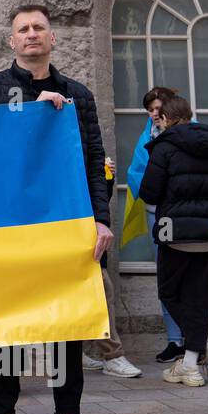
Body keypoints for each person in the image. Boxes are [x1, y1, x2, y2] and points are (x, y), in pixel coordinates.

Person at [0, 4, 109, 414]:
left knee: (66, 324)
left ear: (53, 38)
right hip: (5, 225)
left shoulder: (78, 94)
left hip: (64, 222)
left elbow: (93, 161)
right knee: (4, 326)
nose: (31, 35)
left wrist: (101, 219)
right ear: (11, 41)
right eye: (22, 29)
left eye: (39, 28)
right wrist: (30, 111)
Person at [137, 95, 208, 387]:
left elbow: (150, 193)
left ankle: (199, 352)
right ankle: (191, 363)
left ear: (165, 119)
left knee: (169, 292)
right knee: (199, 299)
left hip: (174, 235)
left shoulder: (164, 146)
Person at [80, 157, 142, 379]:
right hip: (68, 234)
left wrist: (106, 176)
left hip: (87, 237)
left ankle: (107, 355)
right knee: (101, 294)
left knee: (103, 293)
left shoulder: (87, 145)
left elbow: (101, 198)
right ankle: (111, 356)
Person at [142, 86, 188, 363]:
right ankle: (175, 339)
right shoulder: (147, 135)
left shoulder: (192, 133)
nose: (155, 115)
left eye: (159, 109)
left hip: (184, 215)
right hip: (156, 211)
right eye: (150, 110)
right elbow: (140, 172)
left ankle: (193, 339)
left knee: (189, 279)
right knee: (166, 277)